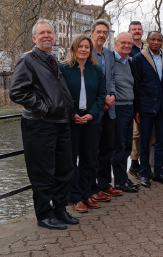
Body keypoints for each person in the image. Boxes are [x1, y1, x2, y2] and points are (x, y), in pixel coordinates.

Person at [10, 19, 79, 229]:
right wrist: (44, 108)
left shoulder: (52, 59)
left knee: (64, 169)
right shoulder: (28, 60)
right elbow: (17, 92)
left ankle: (59, 209)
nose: (47, 35)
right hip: (40, 124)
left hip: (60, 122)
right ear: (34, 38)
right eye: (42, 33)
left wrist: (69, 111)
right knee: (42, 172)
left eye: (50, 32)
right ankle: (44, 215)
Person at [61, 34, 107, 212]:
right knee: (71, 160)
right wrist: (72, 114)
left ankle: (87, 194)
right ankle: (75, 197)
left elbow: (101, 95)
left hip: (90, 120)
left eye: (87, 47)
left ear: (90, 50)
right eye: (80, 46)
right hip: (71, 121)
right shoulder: (64, 68)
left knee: (89, 159)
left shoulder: (95, 69)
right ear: (74, 48)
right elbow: (61, 94)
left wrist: (91, 114)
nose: (83, 50)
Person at [132, 31, 163, 188]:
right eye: (153, 39)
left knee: (161, 141)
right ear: (147, 40)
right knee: (144, 142)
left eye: (159, 40)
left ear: (162, 42)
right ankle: (144, 173)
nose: (156, 42)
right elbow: (136, 85)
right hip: (145, 106)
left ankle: (158, 172)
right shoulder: (139, 59)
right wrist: (136, 109)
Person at [90, 19, 122, 203]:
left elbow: (112, 78)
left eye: (105, 32)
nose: (102, 35)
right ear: (92, 33)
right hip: (94, 110)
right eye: (99, 32)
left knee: (107, 149)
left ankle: (104, 184)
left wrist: (112, 95)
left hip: (109, 109)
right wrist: (100, 100)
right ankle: (92, 188)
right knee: (92, 151)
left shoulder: (109, 54)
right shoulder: (86, 52)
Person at [111, 32, 140, 193]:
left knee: (127, 145)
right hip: (118, 108)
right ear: (116, 43)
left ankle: (123, 178)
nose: (127, 46)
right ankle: (119, 181)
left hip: (129, 107)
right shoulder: (111, 61)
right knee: (119, 146)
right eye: (123, 43)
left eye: (129, 43)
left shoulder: (129, 62)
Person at [127, 21, 147, 179]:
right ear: (129, 31)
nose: (137, 32)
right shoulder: (127, 49)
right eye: (134, 29)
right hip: (131, 94)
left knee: (147, 132)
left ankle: (145, 162)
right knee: (135, 133)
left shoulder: (147, 49)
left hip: (146, 95)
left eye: (139, 29)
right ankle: (134, 164)